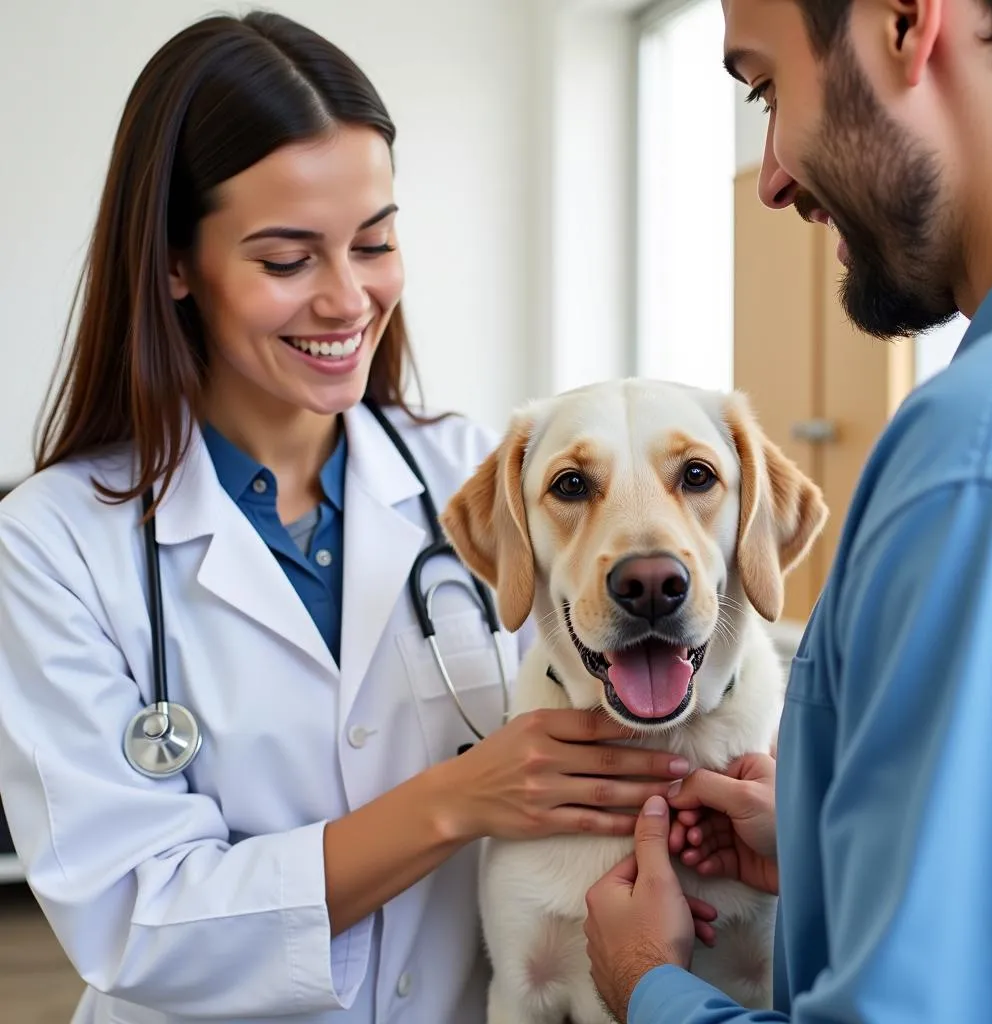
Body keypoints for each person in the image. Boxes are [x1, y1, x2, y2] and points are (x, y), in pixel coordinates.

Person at [0, 12, 691, 1024]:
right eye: (286, 261)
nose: (347, 300)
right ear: (174, 265)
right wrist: (453, 800)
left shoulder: (475, 476)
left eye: (373, 243)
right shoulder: (55, 543)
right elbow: (134, 916)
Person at [584, 0, 992, 1021]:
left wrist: (646, 985)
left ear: (908, 21)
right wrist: (832, 842)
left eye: (769, 89)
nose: (772, 174)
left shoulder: (974, 447)